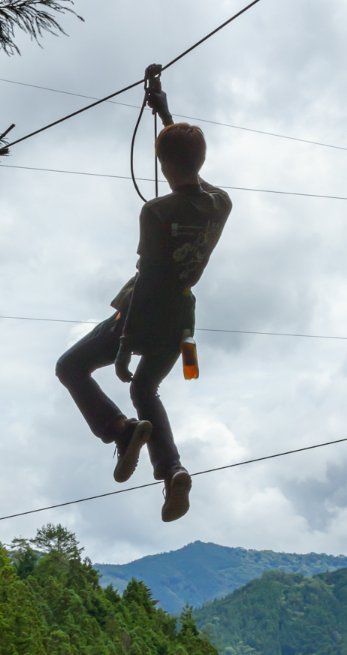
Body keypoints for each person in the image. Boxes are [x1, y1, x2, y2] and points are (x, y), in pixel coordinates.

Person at [56, 121, 232, 522]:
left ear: (162, 164)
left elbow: (150, 277)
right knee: (145, 388)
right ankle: (173, 472)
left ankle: (119, 431)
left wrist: (123, 345)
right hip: (180, 320)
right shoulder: (222, 203)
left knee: (70, 367)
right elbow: (188, 166)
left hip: (141, 314)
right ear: (202, 159)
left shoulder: (155, 212)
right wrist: (164, 111)